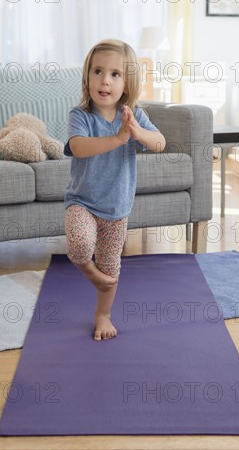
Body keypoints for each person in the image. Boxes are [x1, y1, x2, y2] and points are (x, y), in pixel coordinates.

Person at [64, 38, 166, 341]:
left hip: (117, 208)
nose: (104, 80)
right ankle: (91, 275)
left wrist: (139, 133)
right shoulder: (80, 115)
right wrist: (118, 140)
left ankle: (103, 314)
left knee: (111, 267)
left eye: (115, 74)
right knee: (80, 246)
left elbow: (160, 142)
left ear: (127, 82)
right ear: (87, 77)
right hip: (82, 202)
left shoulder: (132, 114)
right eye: (97, 71)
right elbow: (78, 147)